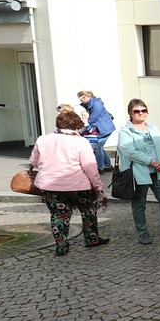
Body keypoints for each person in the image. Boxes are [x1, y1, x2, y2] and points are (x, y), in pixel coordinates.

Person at [30, 109, 109, 256]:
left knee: (58, 215)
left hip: (50, 186)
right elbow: (90, 168)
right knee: (88, 211)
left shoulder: (43, 139)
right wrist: (98, 187)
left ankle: (61, 246)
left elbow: (33, 161)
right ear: (76, 125)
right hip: (79, 186)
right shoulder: (81, 142)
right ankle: (91, 238)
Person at [116, 99, 160, 244]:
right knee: (139, 204)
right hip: (139, 172)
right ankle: (142, 232)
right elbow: (130, 152)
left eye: (144, 110)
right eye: (137, 111)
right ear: (131, 113)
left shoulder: (153, 128)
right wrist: (152, 162)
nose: (141, 113)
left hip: (159, 170)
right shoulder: (125, 131)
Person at [77, 90, 117, 172]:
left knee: (98, 148)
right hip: (102, 128)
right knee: (100, 148)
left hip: (105, 128)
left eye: (81, 100)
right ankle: (108, 166)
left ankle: (100, 168)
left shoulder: (96, 104)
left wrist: (82, 126)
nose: (80, 102)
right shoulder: (90, 104)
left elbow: (93, 118)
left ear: (84, 97)